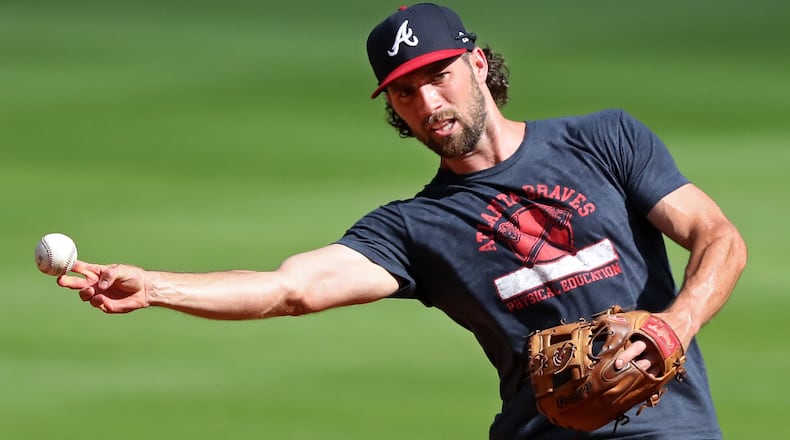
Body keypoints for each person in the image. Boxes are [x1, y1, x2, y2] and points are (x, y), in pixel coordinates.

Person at [57, 3, 747, 439]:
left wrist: (670, 328)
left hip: (671, 428)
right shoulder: (416, 227)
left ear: (477, 63)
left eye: (439, 74)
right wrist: (157, 286)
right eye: (406, 91)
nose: (428, 100)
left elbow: (719, 238)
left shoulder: (603, 139)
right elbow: (290, 287)